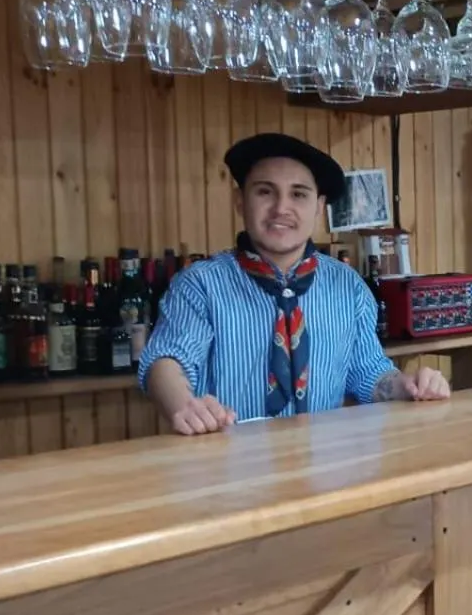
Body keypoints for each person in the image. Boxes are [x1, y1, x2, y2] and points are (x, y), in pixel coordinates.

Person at [140, 133, 450, 435]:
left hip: (327, 471)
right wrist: (184, 405)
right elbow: (167, 360)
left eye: (298, 194)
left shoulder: (348, 286)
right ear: (239, 201)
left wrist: (409, 386)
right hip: (228, 470)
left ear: (318, 206)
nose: (281, 208)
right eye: (265, 191)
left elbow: (368, 371)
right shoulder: (199, 284)